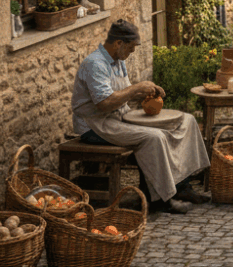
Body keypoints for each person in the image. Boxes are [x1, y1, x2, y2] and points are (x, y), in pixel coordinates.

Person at [71, 19, 211, 214]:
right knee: (154, 137)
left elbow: (124, 94)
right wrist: (136, 88)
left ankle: (183, 186)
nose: (132, 52)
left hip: (119, 117)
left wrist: (146, 92)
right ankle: (162, 198)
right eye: (130, 47)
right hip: (95, 125)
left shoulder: (118, 61)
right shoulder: (94, 64)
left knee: (185, 122)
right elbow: (105, 103)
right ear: (119, 43)